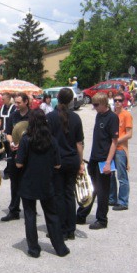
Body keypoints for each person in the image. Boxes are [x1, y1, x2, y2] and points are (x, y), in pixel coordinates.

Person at [16, 109, 70, 258]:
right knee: (52, 215)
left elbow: (19, 164)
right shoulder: (52, 140)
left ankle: (33, 249)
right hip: (47, 181)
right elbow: (58, 165)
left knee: (30, 215)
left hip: (28, 182)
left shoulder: (26, 139)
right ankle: (60, 247)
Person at [77, 92, 119, 229]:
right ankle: (81, 215)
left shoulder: (112, 118)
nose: (94, 107)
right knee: (90, 188)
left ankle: (102, 219)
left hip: (103, 160)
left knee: (102, 191)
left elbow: (114, 142)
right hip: (94, 158)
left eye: (96, 105)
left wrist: (108, 162)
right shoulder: (98, 115)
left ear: (103, 104)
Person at [47, 88, 84, 240]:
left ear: (57, 98)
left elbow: (47, 141)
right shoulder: (76, 118)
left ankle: (60, 229)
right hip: (72, 160)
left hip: (57, 160)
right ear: (70, 101)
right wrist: (81, 163)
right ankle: (71, 229)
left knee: (58, 195)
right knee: (70, 194)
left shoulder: (50, 117)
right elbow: (79, 144)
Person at [0, 93, 30, 222]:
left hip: (29, 155)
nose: (16, 105)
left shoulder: (33, 116)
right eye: (15, 103)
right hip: (14, 153)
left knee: (28, 182)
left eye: (19, 103)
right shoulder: (13, 116)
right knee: (15, 182)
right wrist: (11, 143)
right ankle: (14, 210)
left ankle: (30, 209)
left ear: (26, 102)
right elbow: (8, 133)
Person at [109, 93, 133, 210]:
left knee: (122, 176)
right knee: (110, 174)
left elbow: (129, 134)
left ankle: (123, 201)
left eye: (119, 100)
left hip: (120, 149)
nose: (117, 102)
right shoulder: (112, 115)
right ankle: (112, 198)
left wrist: (117, 141)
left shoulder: (126, 115)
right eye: (115, 100)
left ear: (123, 102)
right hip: (111, 149)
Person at [0, 92, 16, 180]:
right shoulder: (2, 107)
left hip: (9, 133)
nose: (2, 100)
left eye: (3, 99)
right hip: (1, 133)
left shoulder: (14, 108)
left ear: (8, 99)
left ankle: (8, 172)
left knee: (9, 153)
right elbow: (0, 119)